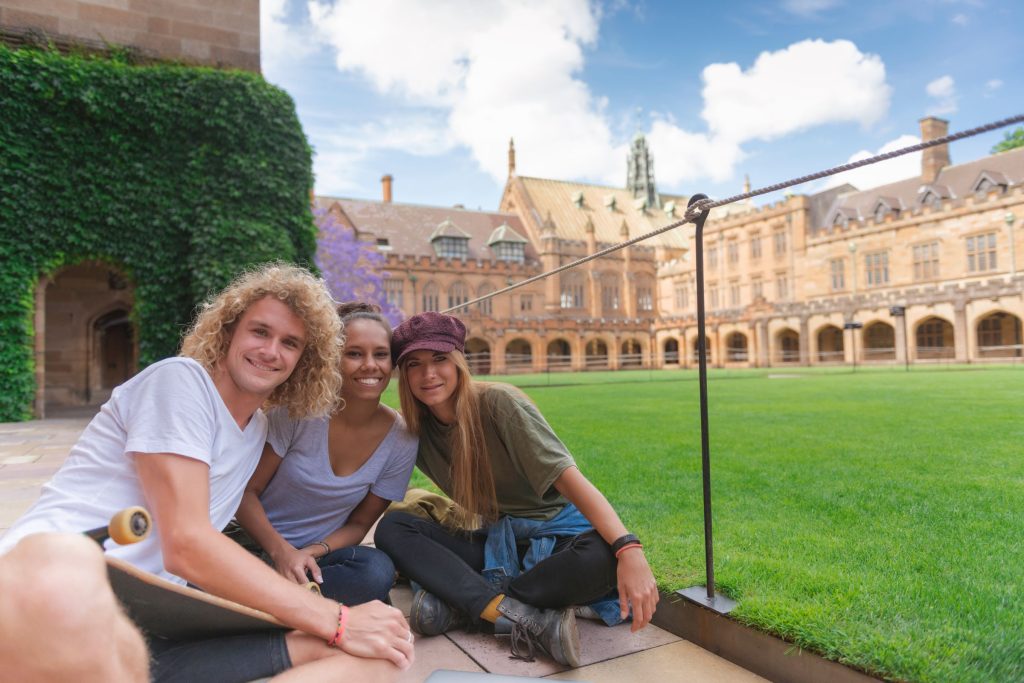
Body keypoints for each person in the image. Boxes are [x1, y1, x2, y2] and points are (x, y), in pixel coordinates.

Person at [0, 264, 413, 683]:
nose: (271, 351)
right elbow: (188, 544)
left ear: (304, 362)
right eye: (259, 332)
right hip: (52, 593)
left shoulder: (258, 430)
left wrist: (341, 625)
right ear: (229, 331)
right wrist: (337, 619)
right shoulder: (180, 382)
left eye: (290, 343)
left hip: (152, 619)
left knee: (382, 656)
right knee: (61, 563)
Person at [375, 312, 659, 668]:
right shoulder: (414, 432)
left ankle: (462, 605)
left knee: (601, 557)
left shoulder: (499, 404)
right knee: (394, 528)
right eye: (414, 363)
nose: (428, 373)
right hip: (499, 543)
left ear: (459, 362)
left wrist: (628, 547)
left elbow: (572, 482)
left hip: (559, 538)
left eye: (439, 359)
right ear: (402, 374)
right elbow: (371, 494)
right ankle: (523, 614)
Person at [232, 302, 418, 605]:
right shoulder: (297, 414)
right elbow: (246, 493)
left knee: (376, 570)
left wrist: (309, 553)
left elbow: (359, 525)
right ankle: (292, 605)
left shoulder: (402, 439)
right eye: (354, 354)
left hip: (315, 558)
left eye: (381, 354)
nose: (370, 365)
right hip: (253, 545)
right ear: (333, 359)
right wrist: (282, 553)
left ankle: (270, 605)